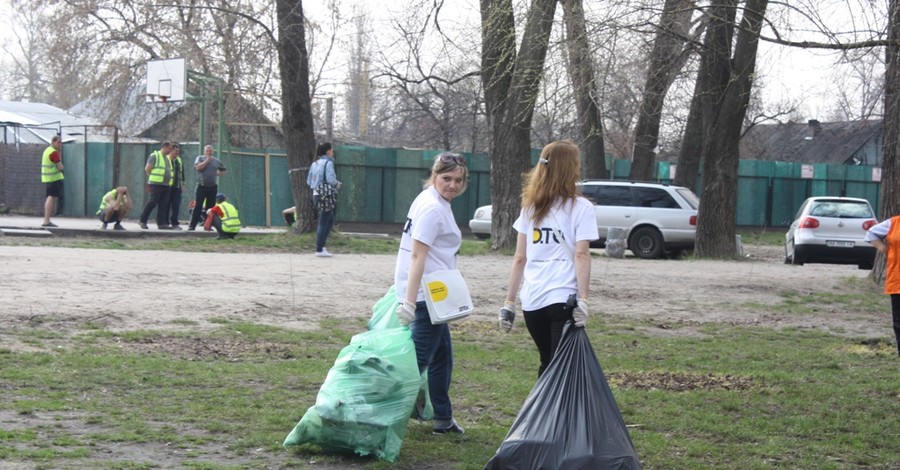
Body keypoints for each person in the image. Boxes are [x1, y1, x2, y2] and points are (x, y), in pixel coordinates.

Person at [499, 140, 598, 377]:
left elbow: (519, 258)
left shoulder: (530, 208)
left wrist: (509, 303)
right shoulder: (582, 207)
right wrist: (584, 298)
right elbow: (581, 254)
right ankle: (556, 414)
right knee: (562, 367)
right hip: (562, 297)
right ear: (570, 168)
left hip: (532, 301)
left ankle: (542, 413)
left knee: (547, 361)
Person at [394, 151, 469, 435]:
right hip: (426, 297)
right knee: (415, 365)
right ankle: (381, 417)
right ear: (434, 175)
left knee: (441, 357)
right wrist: (410, 303)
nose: (452, 184)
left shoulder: (432, 198)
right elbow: (417, 256)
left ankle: (443, 418)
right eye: (446, 178)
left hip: (435, 295)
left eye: (458, 180)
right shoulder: (433, 208)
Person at [865, 218, 900, 356]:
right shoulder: (894, 223)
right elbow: (871, 233)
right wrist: (885, 249)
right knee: (898, 320)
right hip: (898, 279)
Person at [306, 142, 341, 257]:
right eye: (331, 150)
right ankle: (319, 248)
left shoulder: (314, 163)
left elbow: (309, 181)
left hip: (316, 194)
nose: (333, 152)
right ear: (328, 151)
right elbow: (331, 180)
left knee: (329, 220)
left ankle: (322, 247)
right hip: (326, 195)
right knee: (323, 221)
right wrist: (337, 184)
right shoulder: (328, 163)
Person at [188, 144, 227, 231]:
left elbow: (224, 170)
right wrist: (207, 160)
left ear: (213, 152)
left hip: (212, 187)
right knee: (198, 206)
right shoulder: (200, 158)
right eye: (207, 151)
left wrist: (216, 173)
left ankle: (208, 226)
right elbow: (198, 168)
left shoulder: (216, 161)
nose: (209, 153)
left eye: (210, 151)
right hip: (201, 186)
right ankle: (192, 226)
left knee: (210, 208)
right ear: (204, 152)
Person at [138, 141, 173, 230]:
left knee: (163, 204)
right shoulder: (155, 156)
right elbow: (148, 168)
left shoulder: (167, 158)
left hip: (166, 185)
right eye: (169, 148)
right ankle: (142, 220)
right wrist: (152, 178)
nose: (170, 151)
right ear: (164, 147)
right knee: (152, 202)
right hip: (156, 184)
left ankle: (161, 223)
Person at [41, 135, 64, 227]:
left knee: (51, 197)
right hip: (54, 178)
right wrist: (59, 154)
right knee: (51, 198)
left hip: (48, 178)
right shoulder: (53, 153)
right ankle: (46, 221)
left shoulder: (47, 150)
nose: (60, 144)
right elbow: (61, 167)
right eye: (59, 142)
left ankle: (46, 220)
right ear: (53, 142)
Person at [166, 143, 185, 229]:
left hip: (177, 186)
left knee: (176, 205)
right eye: (175, 151)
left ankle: (175, 222)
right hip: (167, 186)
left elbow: (182, 173)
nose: (177, 153)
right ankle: (165, 222)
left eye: (178, 151)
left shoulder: (179, 160)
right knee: (166, 205)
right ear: (171, 150)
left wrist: (182, 184)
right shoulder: (166, 159)